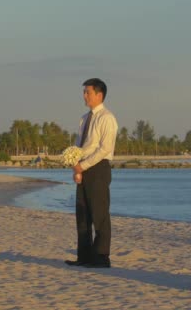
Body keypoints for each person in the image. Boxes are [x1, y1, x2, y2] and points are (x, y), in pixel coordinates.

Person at [65, 78, 118, 268]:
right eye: (84, 92)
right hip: (83, 168)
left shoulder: (107, 118)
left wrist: (84, 165)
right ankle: (84, 256)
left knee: (99, 214)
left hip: (98, 168)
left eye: (88, 92)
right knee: (83, 213)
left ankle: (101, 257)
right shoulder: (84, 118)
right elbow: (79, 146)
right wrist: (76, 165)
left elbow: (105, 149)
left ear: (99, 95)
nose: (84, 95)